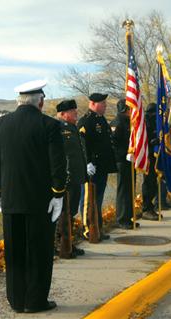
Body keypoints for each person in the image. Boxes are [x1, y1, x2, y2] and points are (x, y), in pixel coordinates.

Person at [0, 80, 66, 313]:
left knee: (14, 253)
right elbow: (58, 164)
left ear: (18, 101)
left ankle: (16, 300)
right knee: (39, 252)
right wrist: (58, 194)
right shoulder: (50, 125)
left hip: (11, 201)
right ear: (40, 102)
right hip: (40, 201)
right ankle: (35, 301)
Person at [78, 93, 117, 241]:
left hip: (102, 167)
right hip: (92, 167)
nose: (105, 106)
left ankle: (97, 227)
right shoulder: (85, 121)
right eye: (103, 104)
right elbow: (83, 144)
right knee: (88, 199)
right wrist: (87, 162)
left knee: (98, 199)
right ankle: (88, 229)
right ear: (93, 103)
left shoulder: (101, 120)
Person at [55, 99, 87, 256]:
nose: (76, 113)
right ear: (62, 114)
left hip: (76, 178)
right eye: (72, 111)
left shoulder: (74, 128)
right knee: (63, 213)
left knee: (71, 212)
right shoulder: (58, 128)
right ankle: (61, 245)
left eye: (75, 110)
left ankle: (68, 243)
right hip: (67, 179)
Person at [110, 98, 140, 228]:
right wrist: (125, 154)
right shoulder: (117, 123)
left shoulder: (129, 122)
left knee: (130, 189)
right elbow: (114, 144)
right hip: (122, 161)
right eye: (130, 108)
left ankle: (128, 217)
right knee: (123, 190)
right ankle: (122, 219)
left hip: (130, 160)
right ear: (125, 110)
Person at [141, 103, 160, 220]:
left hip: (155, 156)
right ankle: (146, 208)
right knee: (149, 183)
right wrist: (152, 141)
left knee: (154, 183)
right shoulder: (146, 121)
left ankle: (151, 206)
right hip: (147, 156)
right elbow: (143, 138)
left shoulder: (155, 121)